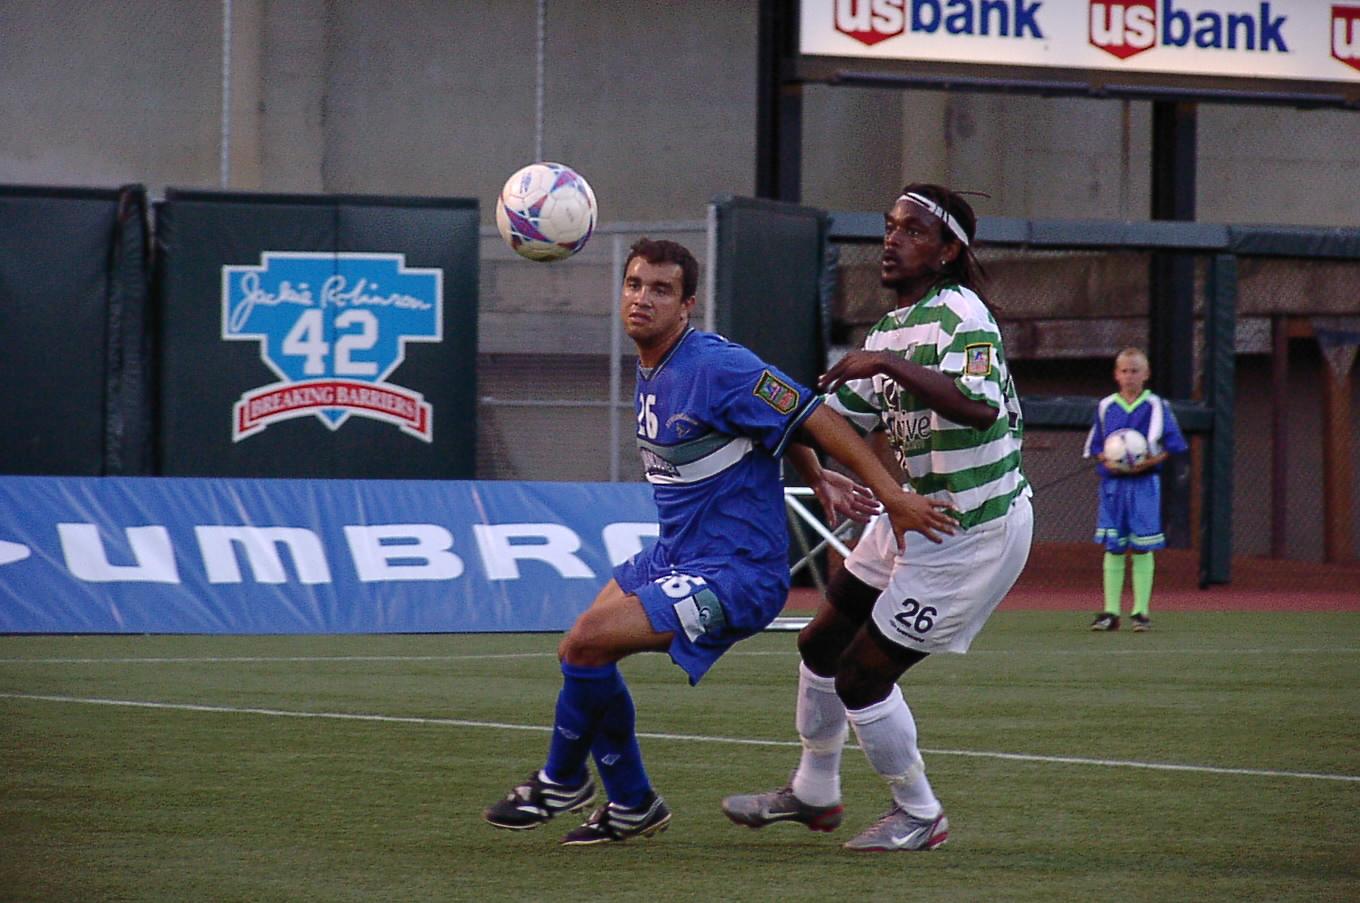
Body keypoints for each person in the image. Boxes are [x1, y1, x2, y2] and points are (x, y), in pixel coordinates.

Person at [482, 237, 950, 846]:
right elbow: (770, 430)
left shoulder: (714, 365)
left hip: (736, 573)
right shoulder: (654, 364)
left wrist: (890, 494)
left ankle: (562, 781)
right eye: (634, 285)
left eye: (660, 289)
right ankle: (631, 803)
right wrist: (812, 474)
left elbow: (808, 413)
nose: (642, 299)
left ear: (687, 305)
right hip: (676, 552)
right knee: (580, 653)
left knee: (588, 641)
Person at [720, 183, 1032, 852]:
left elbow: (980, 408)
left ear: (949, 251)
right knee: (817, 645)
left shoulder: (962, 315)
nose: (891, 241)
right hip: (911, 511)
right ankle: (814, 790)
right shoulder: (890, 329)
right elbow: (839, 423)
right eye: (889, 227)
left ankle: (920, 813)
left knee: (862, 673)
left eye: (913, 231)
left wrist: (888, 362)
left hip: (968, 529)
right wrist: (814, 462)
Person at [1085, 347, 1188, 632]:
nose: (1130, 376)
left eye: (1135, 371)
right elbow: (1096, 446)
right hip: (1113, 485)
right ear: (1116, 374)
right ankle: (1110, 611)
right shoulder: (1106, 406)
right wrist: (1108, 459)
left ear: (1146, 374)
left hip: (1144, 484)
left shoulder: (1156, 406)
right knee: (1114, 546)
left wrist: (1148, 462)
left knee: (1142, 547)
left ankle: (1141, 612)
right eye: (1125, 371)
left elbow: (1173, 445)